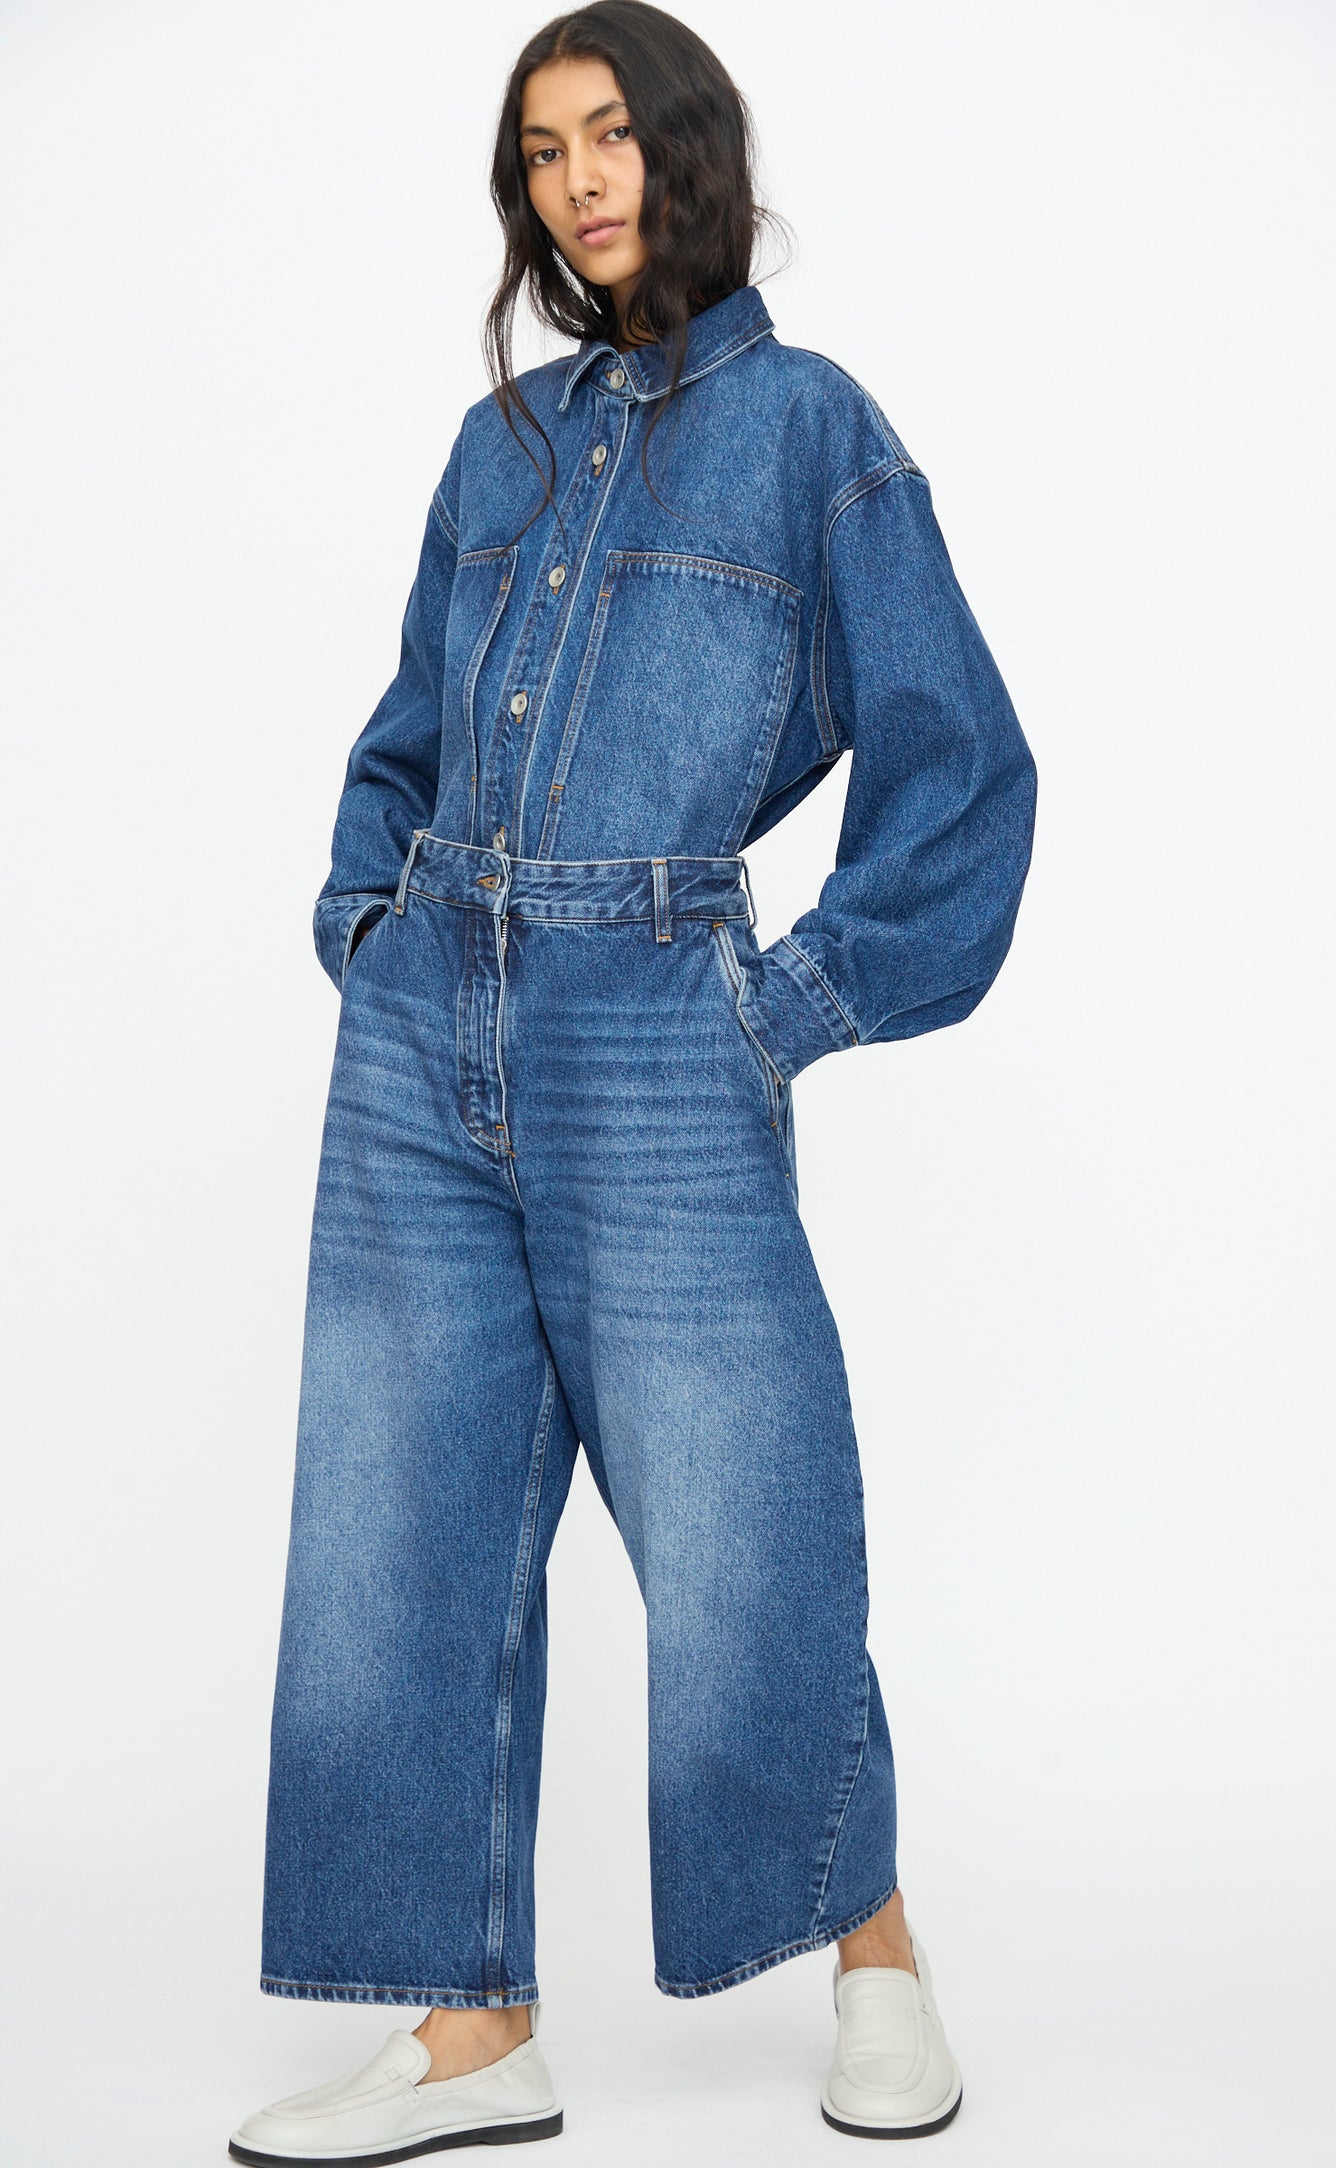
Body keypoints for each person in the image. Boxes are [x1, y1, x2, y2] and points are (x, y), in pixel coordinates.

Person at [229, 2, 1037, 2157]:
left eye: (611, 135)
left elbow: (963, 767)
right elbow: (401, 736)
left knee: (744, 1507)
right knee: (400, 1516)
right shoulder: (498, 449)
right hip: (429, 1029)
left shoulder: (811, 428)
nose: (578, 181)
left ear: (690, 150)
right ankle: (473, 2036)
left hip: (656, 1021)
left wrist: (783, 1006)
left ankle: (875, 1960)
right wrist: (366, 928)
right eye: (539, 154)